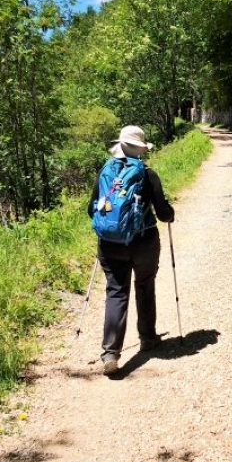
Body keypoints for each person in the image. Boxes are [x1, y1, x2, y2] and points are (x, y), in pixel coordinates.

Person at [89, 125, 175, 375]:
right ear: (140, 149)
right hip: (143, 241)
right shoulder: (148, 175)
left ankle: (110, 353)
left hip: (110, 244)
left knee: (116, 292)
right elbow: (162, 213)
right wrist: (170, 213)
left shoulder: (105, 172)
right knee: (145, 286)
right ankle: (147, 338)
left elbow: (91, 209)